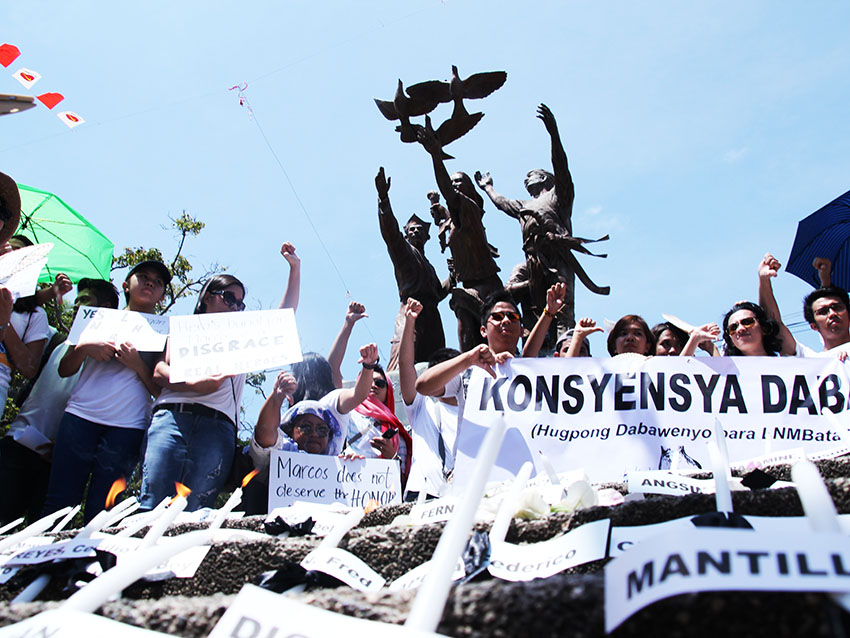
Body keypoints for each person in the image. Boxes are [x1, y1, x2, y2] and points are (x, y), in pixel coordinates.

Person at [42, 260, 170, 522]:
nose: (149, 283)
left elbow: (160, 391)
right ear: (126, 284)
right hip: (79, 417)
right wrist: (85, 348)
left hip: (127, 427)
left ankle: (94, 563)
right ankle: (46, 562)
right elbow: (65, 369)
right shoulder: (96, 317)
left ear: (162, 294)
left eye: (157, 282)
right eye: (143, 276)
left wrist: (136, 364)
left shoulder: (165, 331)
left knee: (104, 512)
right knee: (58, 502)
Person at [475, 104, 609, 343]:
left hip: (558, 257)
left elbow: (561, 165)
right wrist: (488, 187)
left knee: (563, 309)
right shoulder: (524, 205)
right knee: (516, 297)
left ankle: (565, 348)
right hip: (533, 260)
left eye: (532, 174)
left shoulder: (559, 196)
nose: (526, 178)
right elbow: (501, 203)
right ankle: (526, 341)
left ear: (546, 177)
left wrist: (553, 134)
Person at [0, 278, 119, 523]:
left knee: (38, 531)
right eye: (75, 301)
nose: (76, 306)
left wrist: (68, 444)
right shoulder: (53, 340)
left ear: (105, 308)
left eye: (84, 301)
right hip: (17, 442)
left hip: (58, 457)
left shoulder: (112, 358)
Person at [417, 120, 503, 352]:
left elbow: (448, 194)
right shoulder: (455, 220)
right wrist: (435, 203)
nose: (454, 186)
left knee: (497, 344)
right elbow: (444, 218)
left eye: (459, 182)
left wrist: (436, 156)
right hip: (467, 286)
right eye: (452, 182)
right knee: (467, 332)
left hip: (488, 287)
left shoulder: (470, 209)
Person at [250, 343, 380, 474]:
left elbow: (358, 395)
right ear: (290, 429)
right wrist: (276, 397)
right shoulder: (281, 448)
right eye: (305, 428)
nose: (314, 434)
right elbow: (264, 433)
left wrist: (368, 366)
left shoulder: (332, 404)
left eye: (322, 429)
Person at [375, 167, 447, 368]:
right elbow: (390, 232)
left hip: (432, 315)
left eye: (419, 229)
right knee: (404, 361)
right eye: (411, 229)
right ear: (406, 234)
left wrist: (452, 277)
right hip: (411, 310)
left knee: (436, 364)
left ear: (427, 236)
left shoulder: (430, 267)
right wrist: (383, 199)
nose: (415, 231)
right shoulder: (404, 252)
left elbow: (438, 292)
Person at [398, 297, 460, 500]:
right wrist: (410, 322)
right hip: (423, 495)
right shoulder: (422, 405)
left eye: (451, 370)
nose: (446, 376)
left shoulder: (475, 408)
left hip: (463, 496)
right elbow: (406, 365)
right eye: (439, 371)